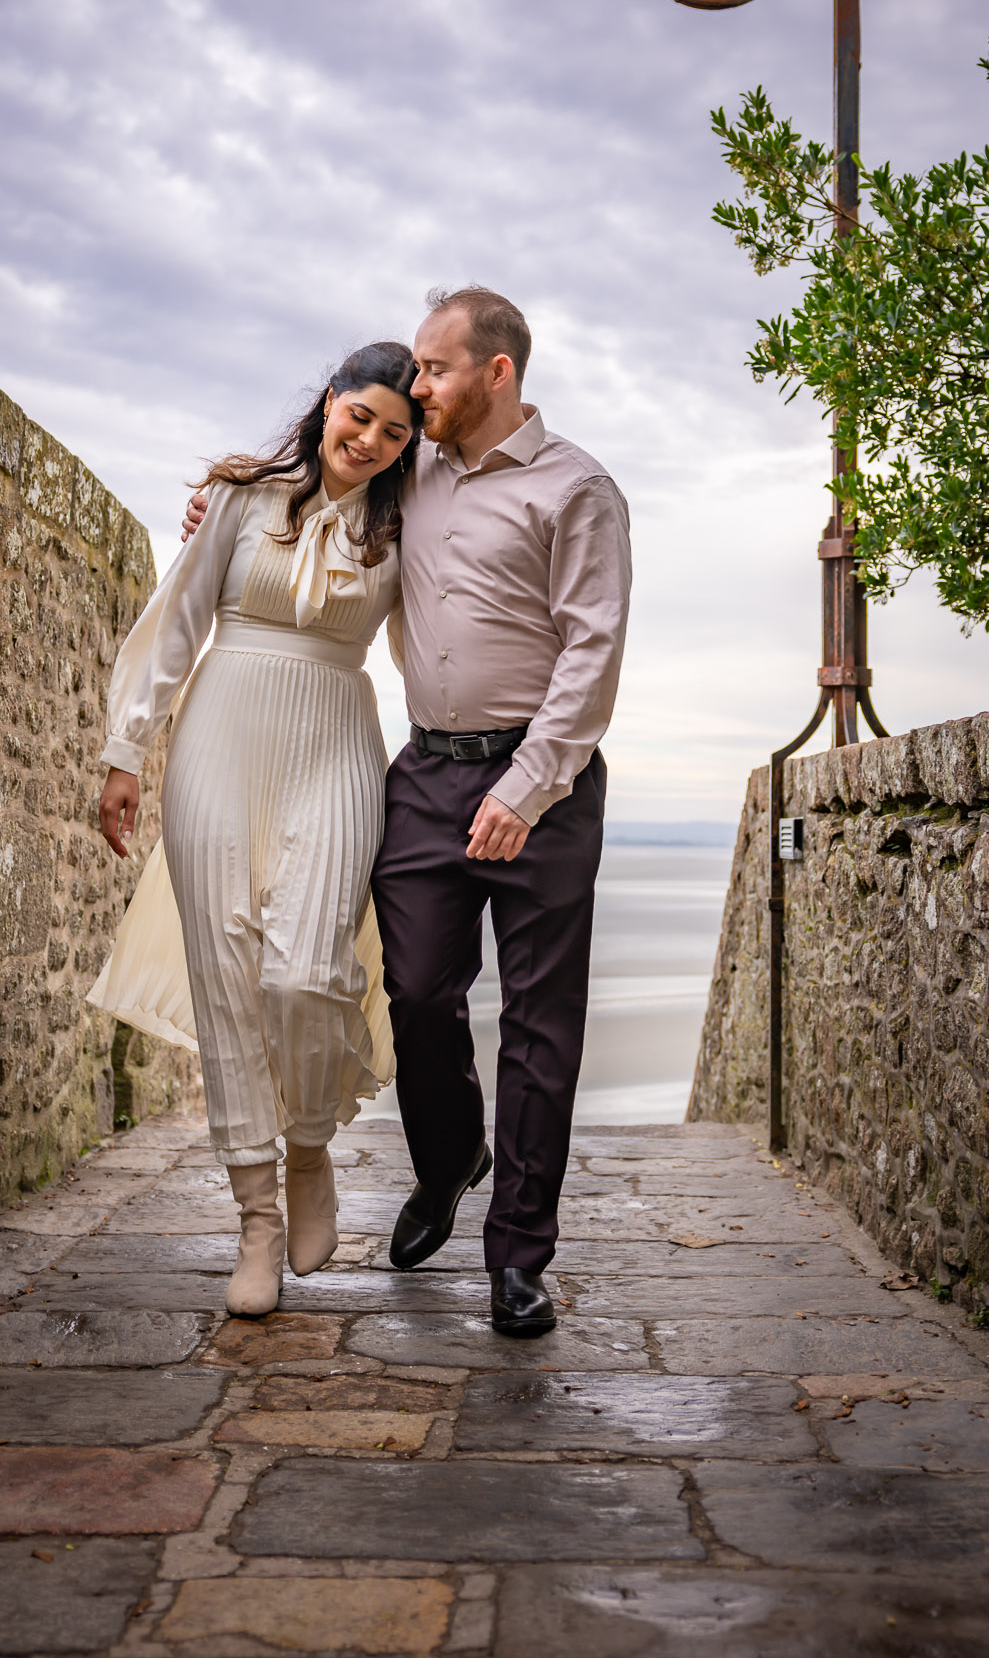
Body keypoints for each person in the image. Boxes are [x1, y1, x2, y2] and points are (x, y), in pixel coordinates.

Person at [185, 288, 631, 1338]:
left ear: (497, 372)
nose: (416, 386)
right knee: (418, 993)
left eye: (434, 369)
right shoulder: (409, 468)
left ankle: (518, 1255)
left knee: (541, 1023)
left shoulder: (577, 489)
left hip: (545, 781)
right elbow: (316, 486)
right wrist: (219, 507)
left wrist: (527, 787)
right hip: (425, 774)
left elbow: (593, 649)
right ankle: (449, 1157)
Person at [91, 342, 421, 1320]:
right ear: (329, 403)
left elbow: (440, 637)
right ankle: (256, 1223)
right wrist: (125, 751)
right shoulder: (241, 498)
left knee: (306, 971)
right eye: (360, 415)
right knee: (229, 981)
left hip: (336, 743)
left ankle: (309, 1143)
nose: (369, 439)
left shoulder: (409, 526)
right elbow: (177, 618)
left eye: (394, 431)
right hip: (219, 741)